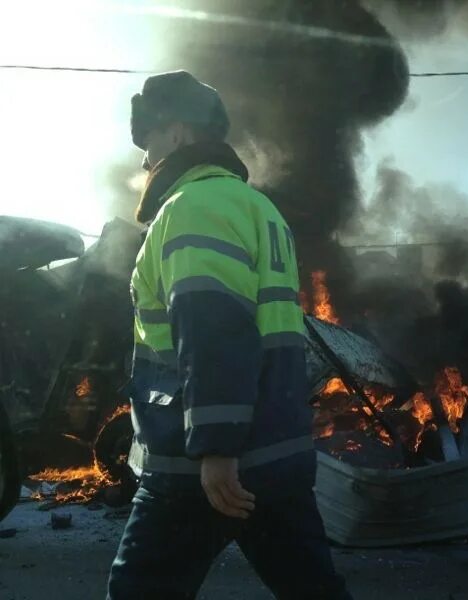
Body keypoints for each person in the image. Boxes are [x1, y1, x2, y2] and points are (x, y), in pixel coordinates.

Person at [107, 70, 351, 599]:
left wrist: (215, 447)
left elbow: (212, 325)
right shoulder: (259, 209)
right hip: (277, 452)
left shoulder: (193, 207)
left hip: (202, 469)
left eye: (147, 141)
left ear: (175, 133)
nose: (144, 160)